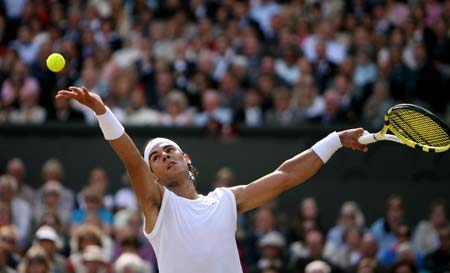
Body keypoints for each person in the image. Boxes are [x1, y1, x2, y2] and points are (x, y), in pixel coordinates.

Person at [55, 86, 367, 273]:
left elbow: (286, 175)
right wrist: (102, 111)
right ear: (153, 175)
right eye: (156, 157)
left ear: (186, 159)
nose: (165, 156)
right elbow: (131, 159)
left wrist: (336, 139)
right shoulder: (157, 205)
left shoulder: (226, 200)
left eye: (170, 150)